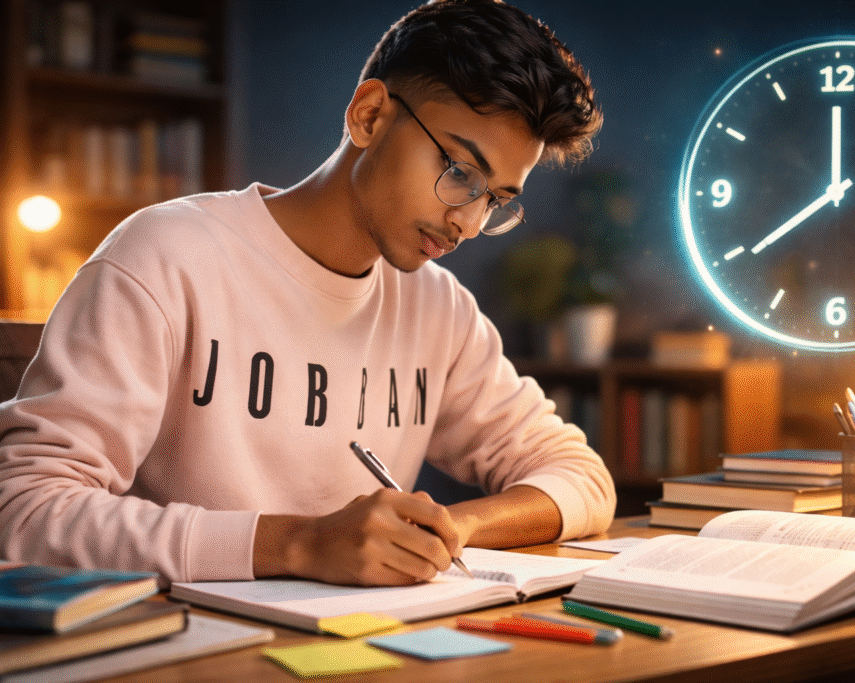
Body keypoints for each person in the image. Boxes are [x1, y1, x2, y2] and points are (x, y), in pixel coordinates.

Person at [0, 0, 614, 588]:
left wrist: (444, 531)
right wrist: (300, 545)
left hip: (348, 652)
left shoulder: (439, 310)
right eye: (460, 173)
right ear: (369, 114)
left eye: (497, 199)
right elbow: (22, 511)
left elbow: (582, 478)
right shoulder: (166, 255)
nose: (471, 222)